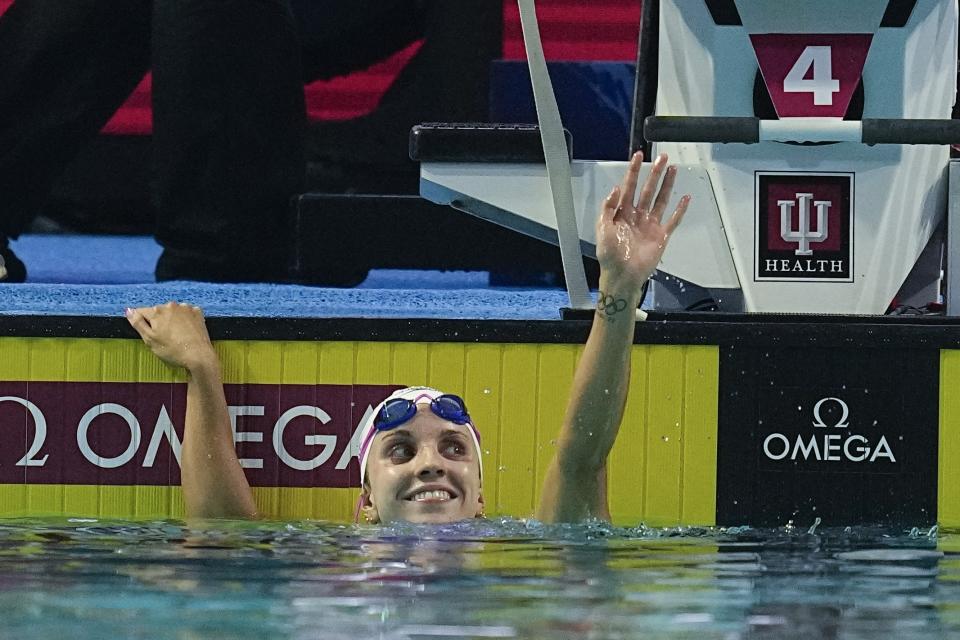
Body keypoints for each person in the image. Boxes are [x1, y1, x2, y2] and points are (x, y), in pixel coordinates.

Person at [126, 152, 690, 523]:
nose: (430, 464)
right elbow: (223, 548)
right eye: (400, 451)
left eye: (452, 448)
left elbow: (580, 461)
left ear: (481, 499)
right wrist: (201, 371)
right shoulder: (325, 568)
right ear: (365, 501)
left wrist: (617, 288)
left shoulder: (529, 560)